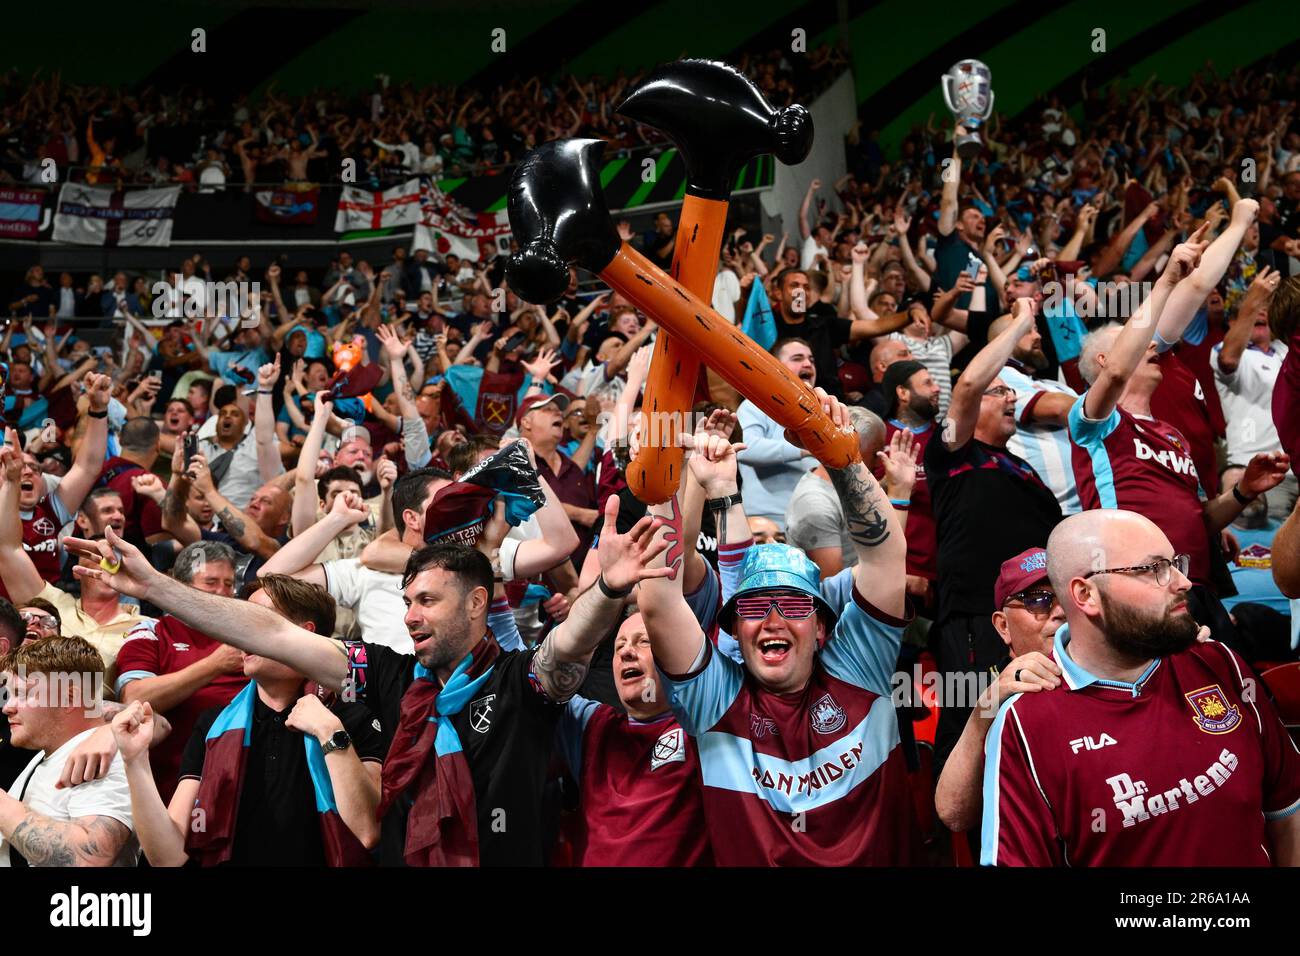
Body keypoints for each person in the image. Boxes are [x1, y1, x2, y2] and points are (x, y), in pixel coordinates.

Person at [66, 496, 671, 867]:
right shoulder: (392, 676)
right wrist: (156, 589)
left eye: (428, 601)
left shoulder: (518, 681)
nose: (411, 615)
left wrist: (610, 589)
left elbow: (571, 644)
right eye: (407, 600)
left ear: (479, 603)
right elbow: (273, 634)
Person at [640, 389, 917, 865]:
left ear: (823, 627)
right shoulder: (716, 700)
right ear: (732, 631)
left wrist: (839, 454)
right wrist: (665, 473)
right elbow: (660, 599)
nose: (771, 619)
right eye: (751, 608)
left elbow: (886, 554)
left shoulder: (860, 665)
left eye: (791, 604)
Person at [982, 509, 1300, 866]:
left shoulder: (1219, 662)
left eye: (1177, 563)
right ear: (1086, 594)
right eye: (1154, 569)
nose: (1183, 582)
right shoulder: (1026, 722)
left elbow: (1287, 809)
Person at [1070, 232, 1291, 642]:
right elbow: (1118, 372)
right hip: (1139, 583)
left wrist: (1243, 491)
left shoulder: (1172, 435)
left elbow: (1201, 520)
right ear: (1105, 359)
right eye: (1136, 341)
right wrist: (1168, 279)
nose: (1152, 344)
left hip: (1196, 586)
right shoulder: (1095, 421)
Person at [112, 575, 386, 866]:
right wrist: (135, 761)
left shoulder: (351, 716)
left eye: (256, 621)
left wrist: (329, 730)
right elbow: (168, 857)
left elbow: (367, 831)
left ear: (303, 634)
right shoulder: (215, 725)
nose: (239, 636)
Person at [924, 299, 1063, 776]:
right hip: (976, 614)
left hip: (1037, 614)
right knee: (972, 722)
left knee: (1037, 714)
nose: (1010, 399)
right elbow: (967, 384)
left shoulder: (1022, 466)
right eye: (999, 391)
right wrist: (1023, 321)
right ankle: (956, 833)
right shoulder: (952, 454)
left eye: (1011, 392)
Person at [555, 612, 711, 866]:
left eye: (644, 642)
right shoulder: (591, 726)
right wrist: (500, 579)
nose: (627, 652)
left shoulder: (707, 727)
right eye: (619, 646)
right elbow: (524, 675)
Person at [934, 548, 1064, 835]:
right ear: (1003, 626)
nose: (1060, 612)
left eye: (1066, 597)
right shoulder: (968, 688)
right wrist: (987, 708)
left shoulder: (1105, 672)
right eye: (1038, 601)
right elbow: (952, 813)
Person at [113, 541, 246, 802]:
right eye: (211, 582)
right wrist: (214, 664)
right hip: (169, 786)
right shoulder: (152, 632)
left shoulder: (249, 637)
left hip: (241, 782)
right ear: (181, 586)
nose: (222, 592)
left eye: (229, 584)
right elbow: (134, 699)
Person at [0, 636, 139, 867]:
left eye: (22, 694)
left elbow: (91, 857)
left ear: (69, 698)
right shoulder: (53, 752)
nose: (7, 707)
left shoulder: (105, 756)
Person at [1214, 266, 1296, 522]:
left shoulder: (1285, 351)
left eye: (1265, 309)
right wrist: (1252, 300)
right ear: (1233, 322)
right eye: (1253, 311)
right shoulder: (1229, 353)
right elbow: (1228, 359)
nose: (1261, 311)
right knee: (1264, 553)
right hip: (1258, 470)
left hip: (1295, 468)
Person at [736, 338, 818, 532]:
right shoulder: (754, 406)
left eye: (811, 360)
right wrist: (806, 448)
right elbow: (744, 448)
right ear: (776, 367)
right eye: (798, 358)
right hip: (767, 524)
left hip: (816, 520)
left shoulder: (821, 411)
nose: (808, 364)